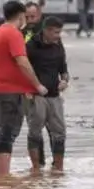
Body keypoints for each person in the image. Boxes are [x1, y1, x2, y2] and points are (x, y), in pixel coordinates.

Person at [0, 0, 48, 176]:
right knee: (8, 132)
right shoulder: (14, 34)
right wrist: (37, 85)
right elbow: (22, 61)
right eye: (25, 17)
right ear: (21, 16)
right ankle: (4, 177)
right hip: (9, 92)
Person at [25, 16, 69, 173]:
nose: (58, 36)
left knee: (60, 132)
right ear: (46, 30)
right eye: (56, 32)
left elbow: (63, 69)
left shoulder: (59, 45)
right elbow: (22, 69)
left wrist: (65, 81)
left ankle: (58, 167)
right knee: (35, 131)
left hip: (55, 96)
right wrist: (28, 90)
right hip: (36, 96)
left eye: (60, 32)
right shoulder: (31, 46)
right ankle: (36, 168)